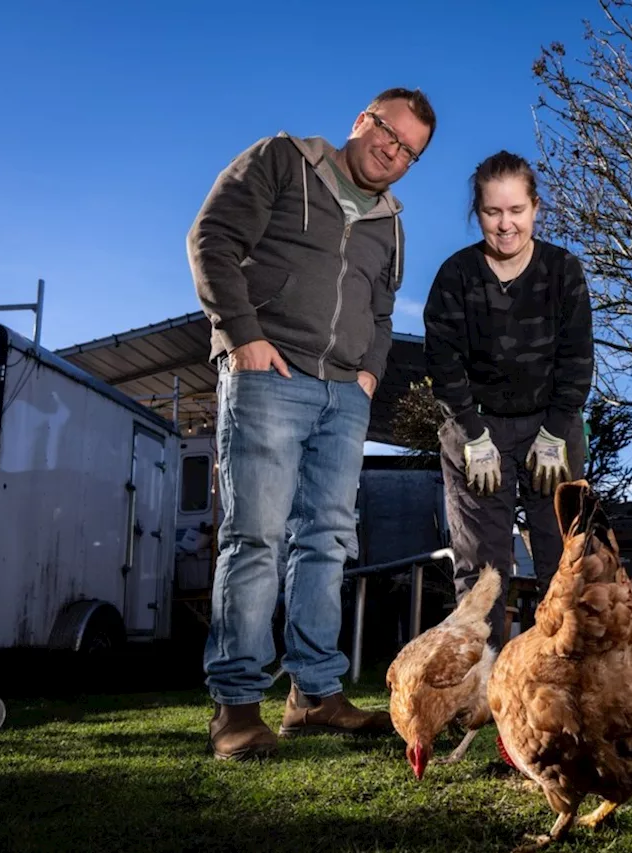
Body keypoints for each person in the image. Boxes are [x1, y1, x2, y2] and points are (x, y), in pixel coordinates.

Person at [187, 87, 436, 761]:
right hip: (269, 373)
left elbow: (382, 313)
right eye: (388, 133)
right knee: (256, 536)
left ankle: (315, 695)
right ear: (363, 119)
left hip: (344, 395)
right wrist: (242, 335)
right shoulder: (282, 160)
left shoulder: (391, 223)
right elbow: (210, 238)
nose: (393, 151)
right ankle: (236, 707)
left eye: (409, 151)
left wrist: (369, 376)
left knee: (326, 541)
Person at [423, 151, 594, 648]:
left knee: (568, 561)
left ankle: (571, 685)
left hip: (552, 428)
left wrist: (557, 430)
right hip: (477, 429)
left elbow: (577, 356)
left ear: (536, 208)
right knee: (482, 570)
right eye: (493, 212)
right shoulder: (455, 277)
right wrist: (472, 437)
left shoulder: (563, 271)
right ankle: (486, 690)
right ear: (478, 213)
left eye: (516, 211)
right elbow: (444, 364)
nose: (505, 225)